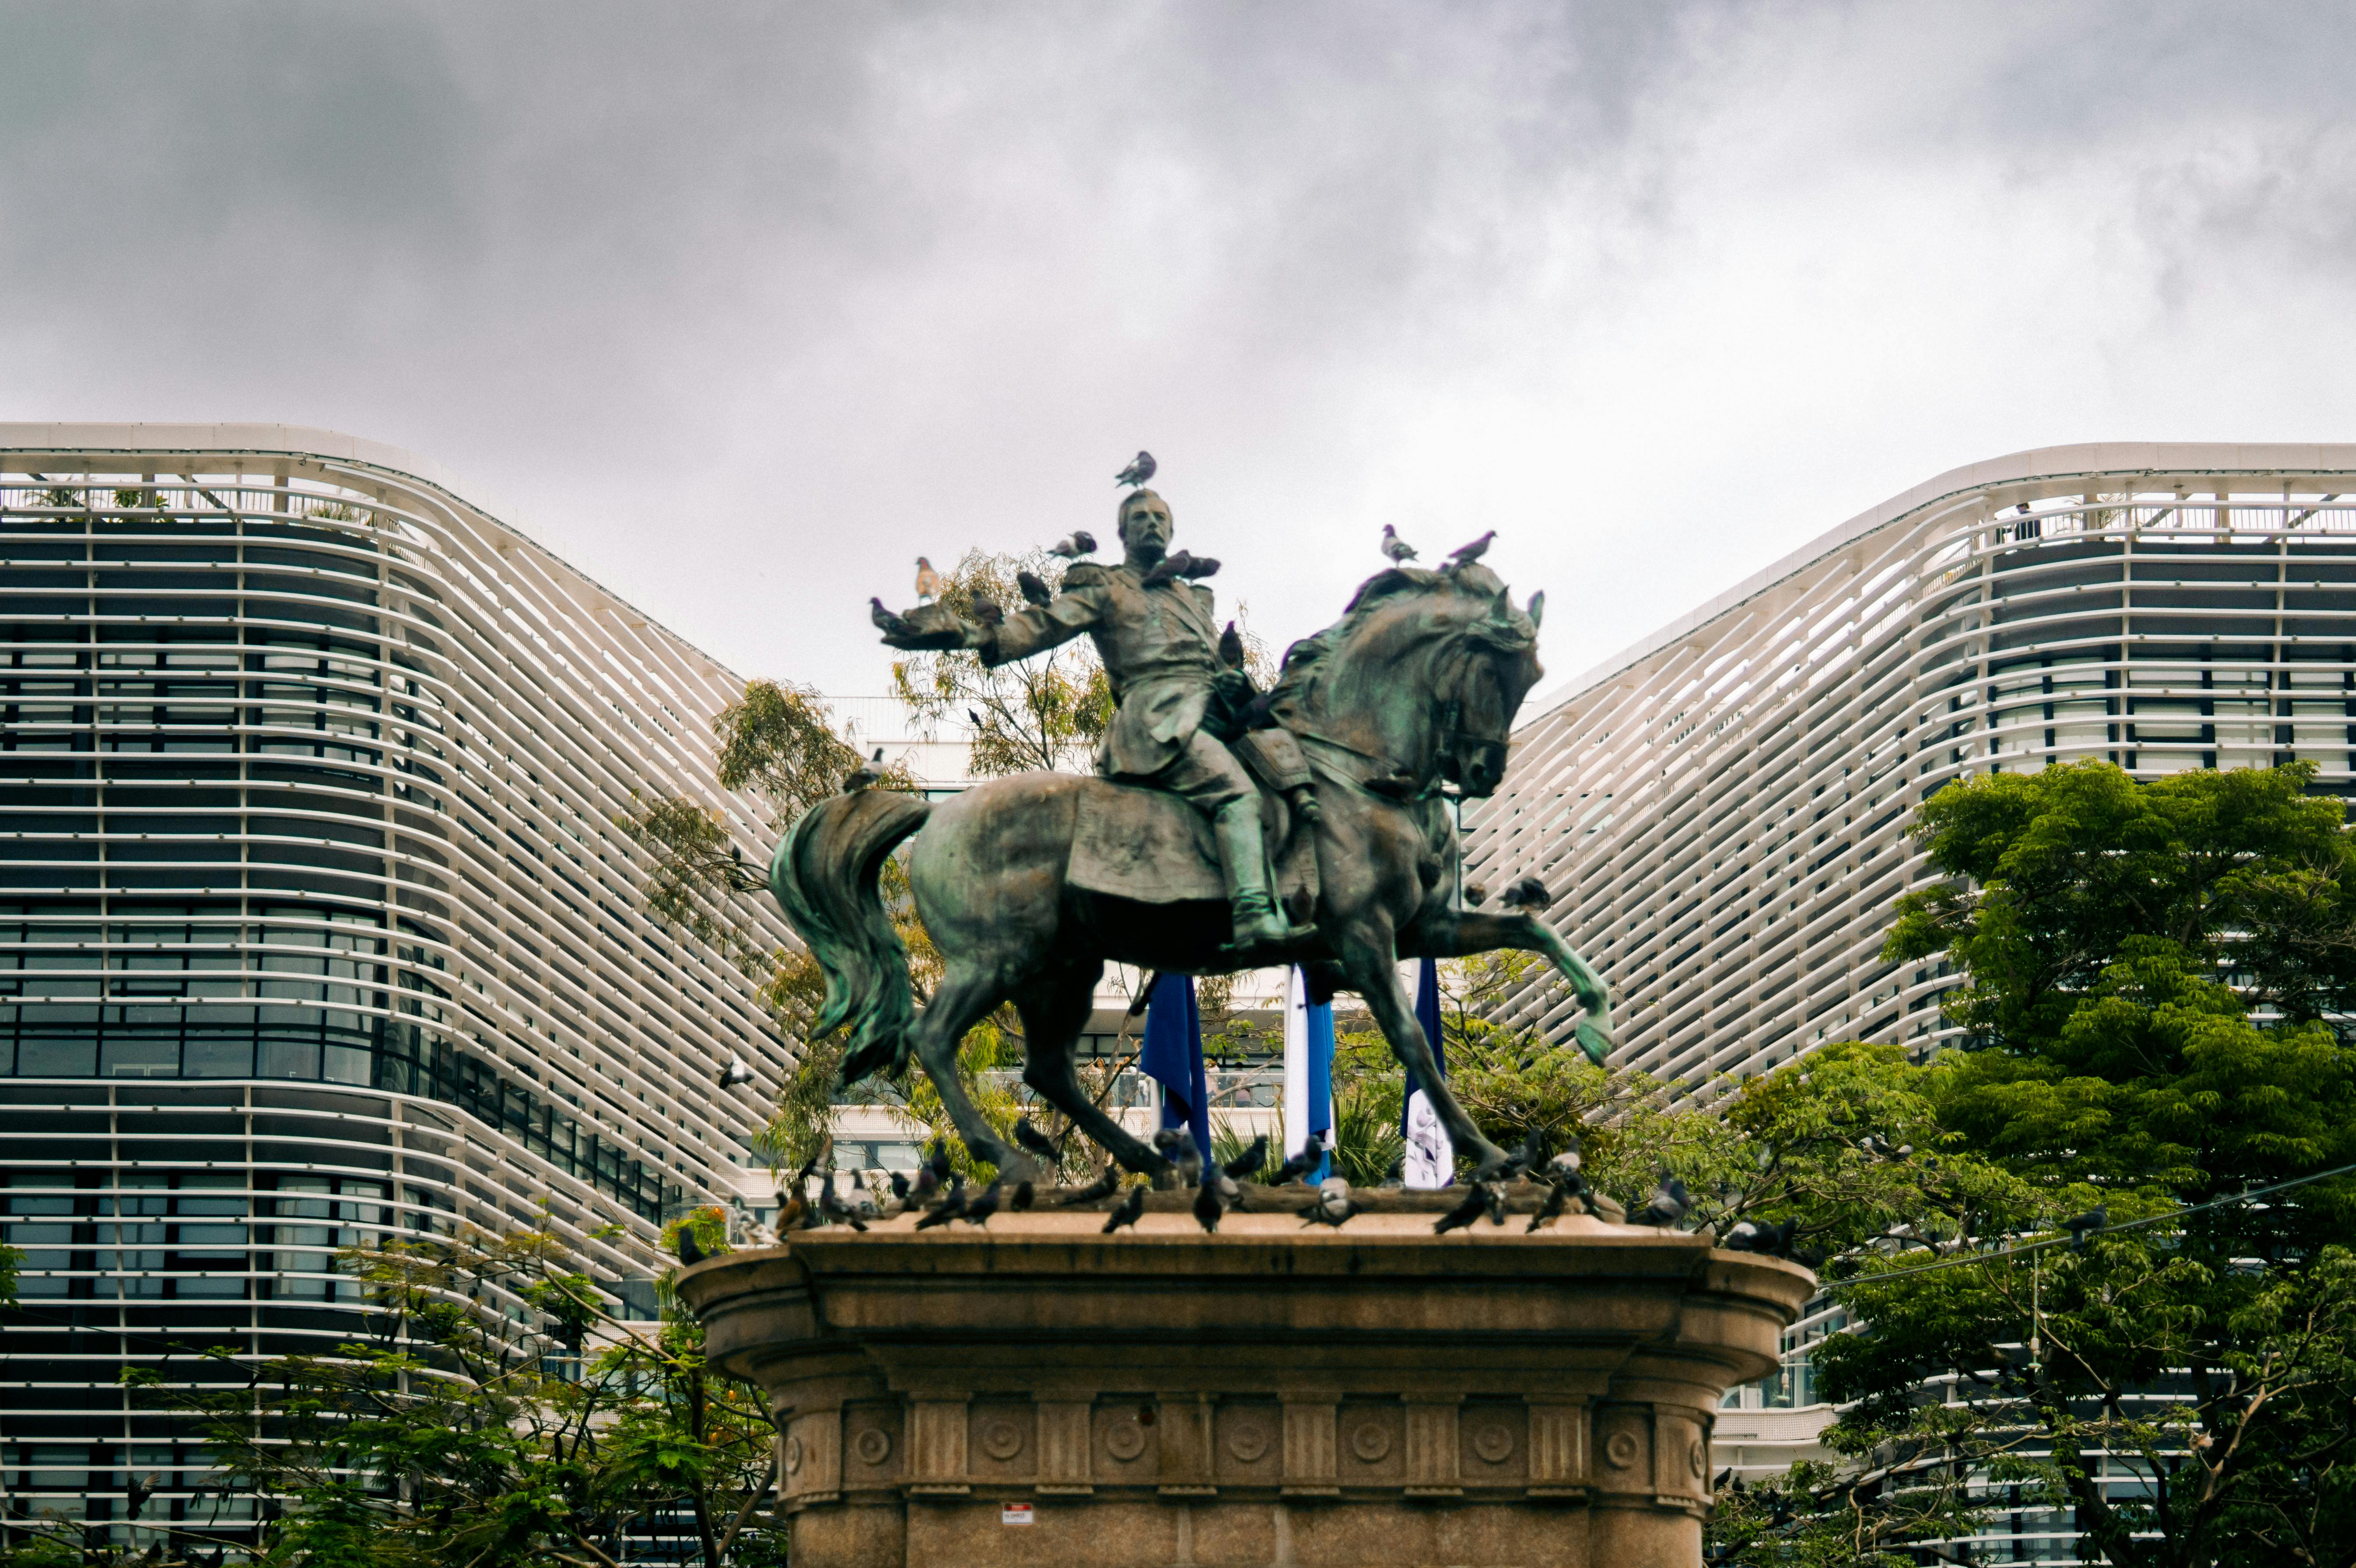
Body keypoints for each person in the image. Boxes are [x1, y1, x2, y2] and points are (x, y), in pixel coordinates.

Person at [881, 487, 1312, 951]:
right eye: (1140, 517)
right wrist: (975, 634)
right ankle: (1250, 914)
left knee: (1292, 779)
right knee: (1237, 795)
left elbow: (1213, 666)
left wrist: (1233, 683)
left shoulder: (1192, 596)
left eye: (1159, 517)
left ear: (1171, 529)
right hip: (1159, 721)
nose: (1151, 523)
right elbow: (1045, 623)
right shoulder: (1106, 587)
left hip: (1216, 716)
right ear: (1122, 532)